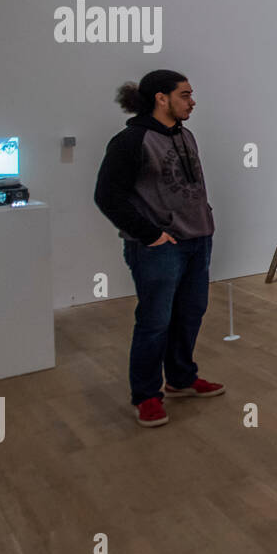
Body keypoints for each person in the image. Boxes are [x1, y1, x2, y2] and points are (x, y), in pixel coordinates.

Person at [94, 70, 225, 427]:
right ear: (161, 98)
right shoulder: (130, 141)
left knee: (190, 313)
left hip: (198, 240)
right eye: (185, 95)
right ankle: (147, 395)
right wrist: (150, 234)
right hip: (159, 247)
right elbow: (107, 196)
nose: (192, 101)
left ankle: (181, 378)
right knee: (155, 322)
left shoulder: (186, 135)